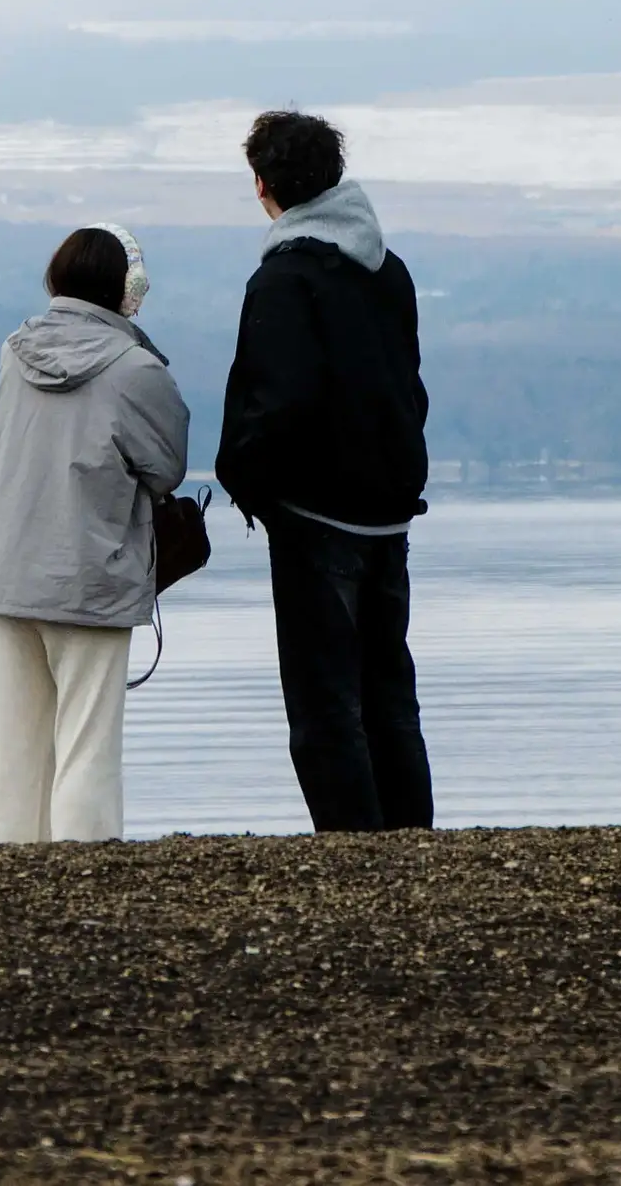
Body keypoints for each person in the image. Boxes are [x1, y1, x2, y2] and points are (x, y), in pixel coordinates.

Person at [214, 109, 433, 832]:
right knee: (388, 692)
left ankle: (353, 852)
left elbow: (278, 400)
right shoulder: (387, 270)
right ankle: (411, 842)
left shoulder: (284, 279)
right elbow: (411, 384)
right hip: (391, 505)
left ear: (262, 185)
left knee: (324, 702)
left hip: (315, 513)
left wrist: (243, 476)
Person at [0, 224, 189, 843]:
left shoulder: (14, 353)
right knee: (88, 738)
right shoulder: (134, 368)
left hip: (9, 571)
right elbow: (166, 465)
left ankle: (9, 858)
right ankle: (86, 862)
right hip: (91, 575)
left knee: (17, 736)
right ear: (126, 289)